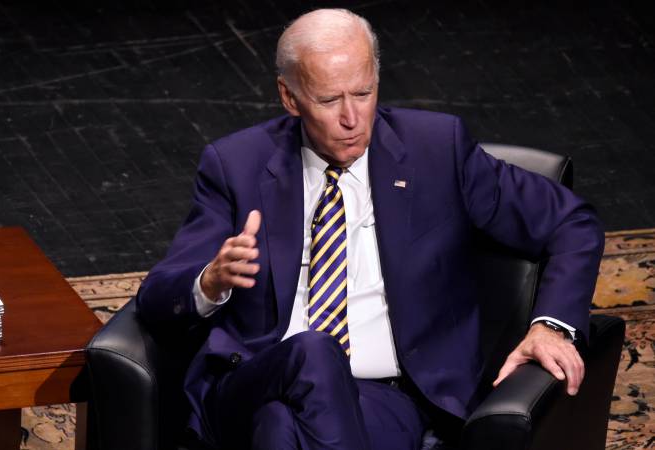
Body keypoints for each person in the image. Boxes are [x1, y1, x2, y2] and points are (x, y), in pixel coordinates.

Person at [136, 8, 604, 450]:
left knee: (279, 426)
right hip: (251, 382)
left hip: (385, 398)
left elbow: (570, 220)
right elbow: (158, 299)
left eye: (363, 93)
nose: (351, 118)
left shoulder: (437, 150)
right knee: (314, 354)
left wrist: (551, 327)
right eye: (328, 99)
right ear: (289, 96)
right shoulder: (237, 165)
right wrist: (209, 282)